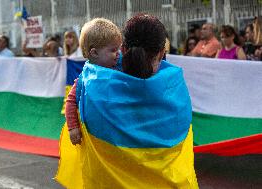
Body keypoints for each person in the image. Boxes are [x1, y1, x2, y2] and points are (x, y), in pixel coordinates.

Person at [58, 14, 198, 188]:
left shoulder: (91, 85)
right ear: (162, 52)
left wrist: (73, 127)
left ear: (123, 49)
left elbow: (73, 102)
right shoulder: (175, 85)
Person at [65, 18, 122, 144]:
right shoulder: (84, 78)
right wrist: (73, 127)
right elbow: (70, 102)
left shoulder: (120, 67)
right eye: (113, 50)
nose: (118, 53)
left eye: (119, 49)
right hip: (99, 139)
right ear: (94, 53)